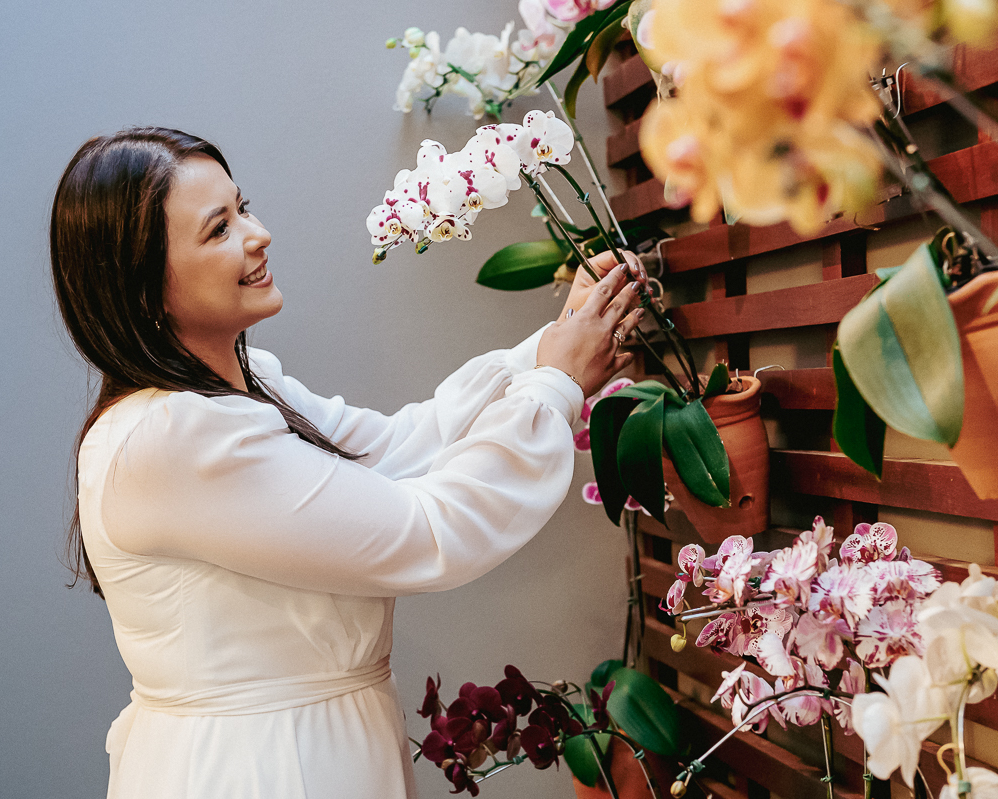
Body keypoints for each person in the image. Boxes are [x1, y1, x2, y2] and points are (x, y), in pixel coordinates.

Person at [50, 127, 648, 798]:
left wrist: (554, 344)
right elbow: (426, 533)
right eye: (219, 229)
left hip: (311, 750)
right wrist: (555, 385)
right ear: (144, 287)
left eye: (243, 207)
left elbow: (401, 443)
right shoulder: (173, 437)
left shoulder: (244, 388)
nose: (259, 233)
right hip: (258, 769)